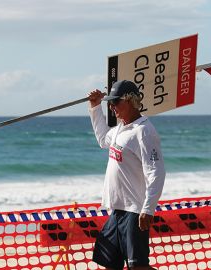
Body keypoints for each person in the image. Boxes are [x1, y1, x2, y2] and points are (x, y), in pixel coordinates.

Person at [87, 80, 166, 270]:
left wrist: (148, 209)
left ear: (129, 101)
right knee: (109, 263)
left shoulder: (144, 131)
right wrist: (95, 107)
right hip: (117, 210)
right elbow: (101, 139)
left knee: (138, 267)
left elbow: (156, 171)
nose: (112, 107)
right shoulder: (120, 129)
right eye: (110, 103)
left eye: (115, 102)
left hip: (134, 210)